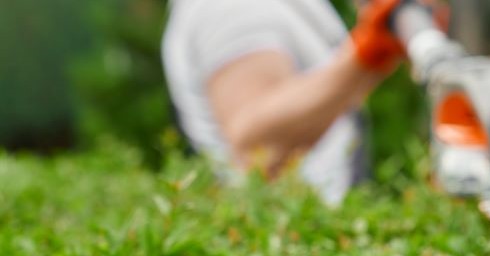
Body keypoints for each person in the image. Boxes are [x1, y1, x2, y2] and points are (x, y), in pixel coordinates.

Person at [162, 0, 406, 204]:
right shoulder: (232, 6)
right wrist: (371, 51)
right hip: (290, 237)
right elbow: (256, 146)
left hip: (313, 230)